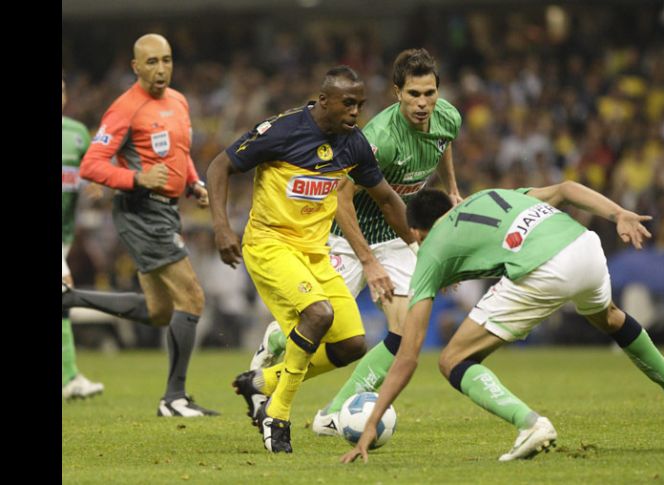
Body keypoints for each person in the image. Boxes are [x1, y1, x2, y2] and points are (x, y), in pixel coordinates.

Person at [341, 183, 664, 464]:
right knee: (609, 317)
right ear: (452, 206)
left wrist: (372, 419)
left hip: (544, 268)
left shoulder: (430, 249)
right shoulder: (490, 195)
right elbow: (565, 189)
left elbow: (408, 354)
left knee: (452, 360)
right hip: (585, 246)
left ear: (417, 233)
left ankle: (530, 424)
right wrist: (618, 213)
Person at [249, 48, 464, 437]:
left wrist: (451, 188)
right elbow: (341, 197)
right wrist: (369, 261)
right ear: (397, 92)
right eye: (413, 94)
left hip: (396, 235)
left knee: (405, 332)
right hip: (348, 237)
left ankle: (332, 414)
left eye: (429, 93)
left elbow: (442, 141)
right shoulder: (378, 137)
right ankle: (275, 342)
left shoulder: (447, 116)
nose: (422, 103)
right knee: (322, 326)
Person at [206, 65, 416, 453]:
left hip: (315, 251)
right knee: (318, 314)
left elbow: (386, 198)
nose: (355, 113)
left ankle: (263, 384)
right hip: (270, 245)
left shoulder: (353, 145)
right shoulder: (282, 131)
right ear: (323, 101)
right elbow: (220, 165)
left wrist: (421, 243)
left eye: (360, 105)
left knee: (351, 345)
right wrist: (221, 226)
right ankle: (278, 413)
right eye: (348, 104)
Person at [61, 34, 218, 417]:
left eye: (166, 60)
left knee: (161, 311)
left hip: (166, 210)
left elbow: (178, 153)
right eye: (151, 62)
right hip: (140, 211)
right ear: (135, 67)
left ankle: (70, 299)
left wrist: (193, 182)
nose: (160, 69)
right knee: (192, 299)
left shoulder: (179, 101)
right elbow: (92, 165)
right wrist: (137, 179)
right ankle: (174, 399)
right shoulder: (125, 108)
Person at [61, 76, 104, 400]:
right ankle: (70, 376)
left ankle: (69, 376)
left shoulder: (76, 134)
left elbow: (94, 170)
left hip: (65, 233)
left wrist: (95, 184)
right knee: (63, 291)